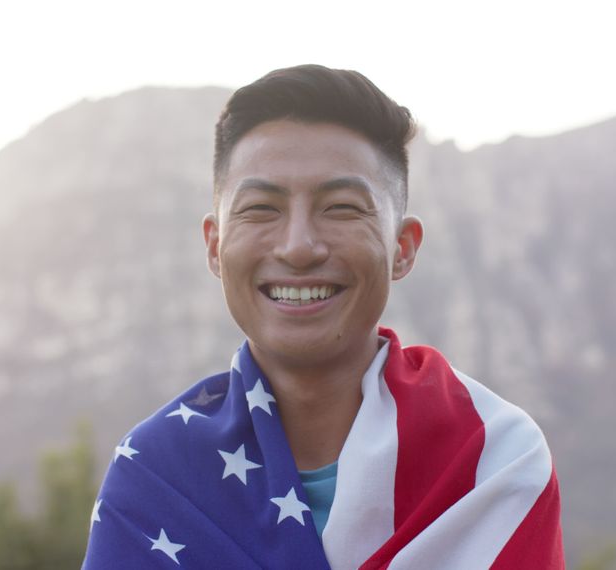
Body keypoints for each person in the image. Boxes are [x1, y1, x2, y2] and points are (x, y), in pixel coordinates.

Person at [81, 64, 563, 569]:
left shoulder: (494, 458)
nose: (299, 247)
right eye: (262, 209)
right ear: (215, 246)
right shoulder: (157, 476)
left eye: (340, 207)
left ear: (402, 248)